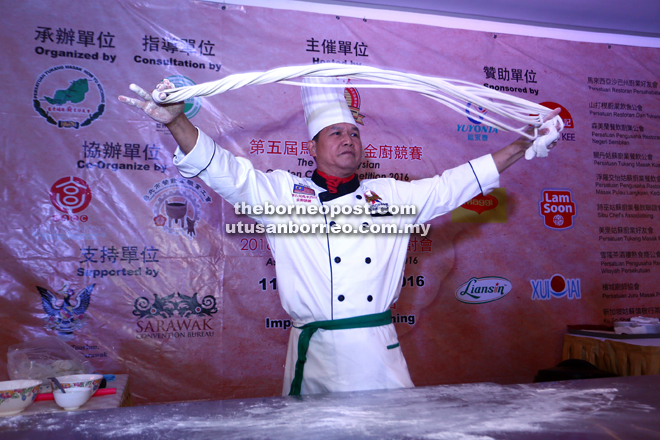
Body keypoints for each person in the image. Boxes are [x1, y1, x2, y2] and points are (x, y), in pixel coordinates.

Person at [119, 76, 561, 396]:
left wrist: (522, 144)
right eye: (336, 132)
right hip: (316, 355)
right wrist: (176, 122)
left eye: (353, 132)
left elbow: (454, 184)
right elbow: (223, 171)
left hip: (376, 354)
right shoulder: (280, 195)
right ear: (312, 146)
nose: (348, 138)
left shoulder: (391, 196)